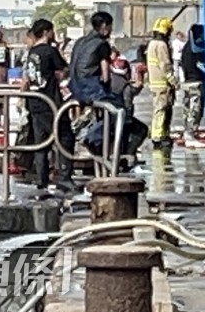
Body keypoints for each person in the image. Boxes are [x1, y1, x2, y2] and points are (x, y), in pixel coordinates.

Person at [20, 19, 80, 193]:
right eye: (52, 31)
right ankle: (64, 177)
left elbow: (26, 77)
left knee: (41, 143)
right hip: (50, 102)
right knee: (65, 137)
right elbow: (63, 70)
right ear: (46, 32)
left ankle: (41, 179)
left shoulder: (31, 52)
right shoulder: (50, 51)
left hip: (35, 101)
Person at [85, 57, 148, 171]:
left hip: (104, 118)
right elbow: (128, 103)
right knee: (141, 130)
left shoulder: (107, 80)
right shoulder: (125, 85)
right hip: (118, 119)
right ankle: (128, 155)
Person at [68, 11, 122, 131]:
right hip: (90, 87)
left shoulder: (80, 41)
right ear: (104, 27)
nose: (111, 29)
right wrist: (107, 89)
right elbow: (105, 74)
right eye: (110, 26)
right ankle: (105, 141)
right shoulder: (102, 44)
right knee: (119, 108)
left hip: (74, 86)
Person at [147, 17, 180, 150]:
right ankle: (158, 137)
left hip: (156, 83)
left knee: (163, 110)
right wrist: (173, 81)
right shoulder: (161, 45)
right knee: (161, 110)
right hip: (162, 84)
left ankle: (162, 134)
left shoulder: (152, 44)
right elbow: (165, 65)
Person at [179, 23, 205, 147]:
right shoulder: (195, 48)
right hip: (195, 82)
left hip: (188, 82)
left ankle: (190, 132)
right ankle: (190, 135)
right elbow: (201, 64)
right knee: (195, 109)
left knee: (188, 109)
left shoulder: (187, 47)